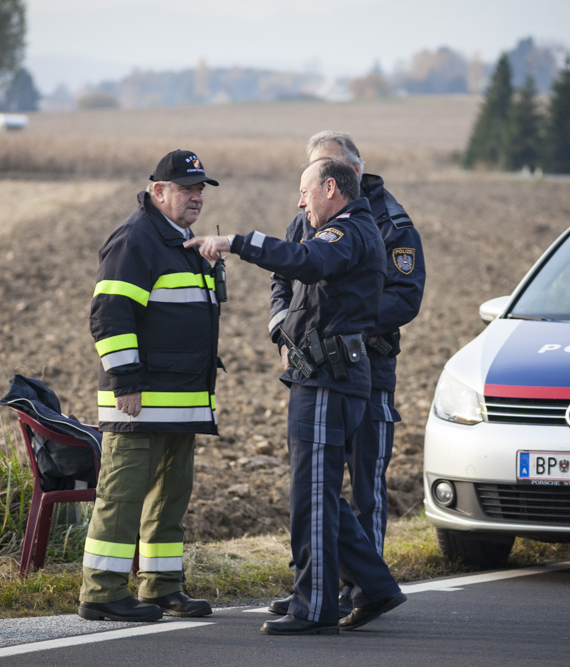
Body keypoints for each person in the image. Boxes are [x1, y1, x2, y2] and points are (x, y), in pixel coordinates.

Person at [187, 158, 407, 635]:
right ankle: (374, 586)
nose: (299, 201)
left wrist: (237, 242)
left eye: (305, 192)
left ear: (330, 188)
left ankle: (315, 607)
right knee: (317, 492)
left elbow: (308, 261)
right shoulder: (348, 228)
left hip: (330, 381)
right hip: (324, 377)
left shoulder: (346, 231)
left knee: (313, 496)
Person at [267, 131, 425, 617]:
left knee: (365, 486)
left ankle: (360, 590)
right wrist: (285, 332)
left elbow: (404, 298)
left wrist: (342, 325)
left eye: (327, 170)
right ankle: (317, 582)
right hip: (315, 365)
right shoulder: (306, 217)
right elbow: (284, 278)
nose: (312, 189)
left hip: (369, 367)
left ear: (350, 173)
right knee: (314, 483)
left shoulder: (390, 222)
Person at [78, 150, 222, 623]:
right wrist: (125, 381)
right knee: (121, 498)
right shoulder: (136, 239)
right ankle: (102, 592)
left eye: (200, 189)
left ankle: (162, 587)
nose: (196, 197)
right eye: (186, 188)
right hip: (138, 402)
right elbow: (109, 315)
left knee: (169, 499)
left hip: (180, 403)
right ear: (158, 191)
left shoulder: (181, 240)